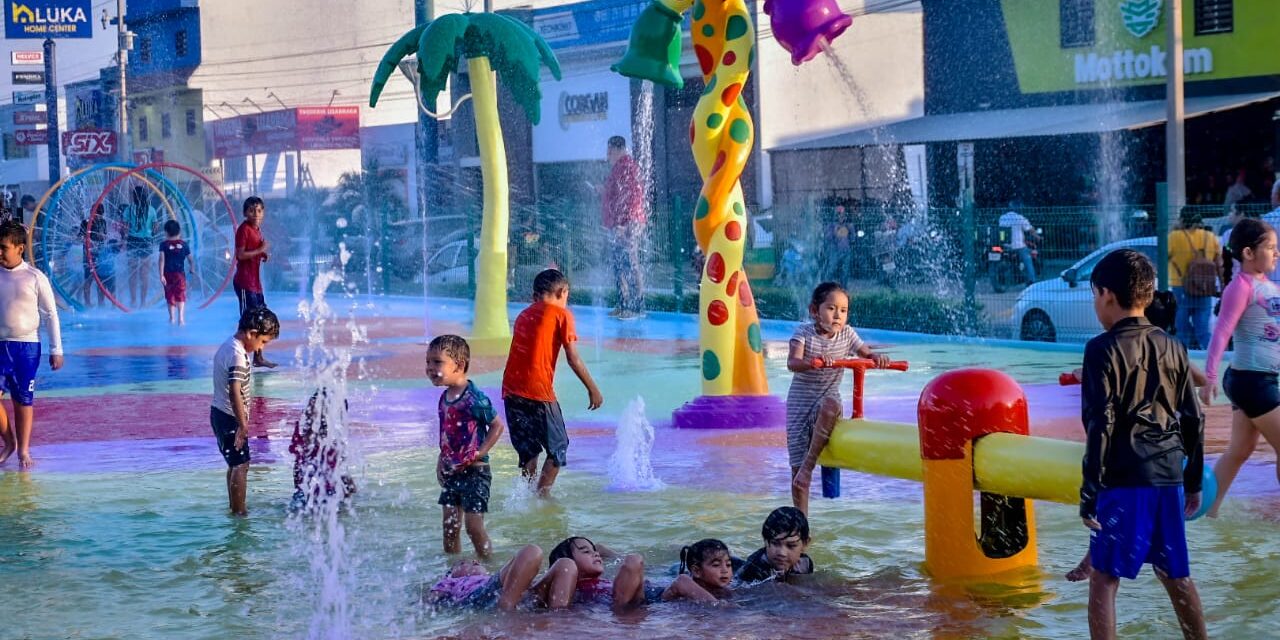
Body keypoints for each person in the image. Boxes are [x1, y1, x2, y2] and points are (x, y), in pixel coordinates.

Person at [1077, 248, 1207, 640]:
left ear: (1107, 296)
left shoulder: (1100, 349)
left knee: (1103, 577)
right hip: (1168, 476)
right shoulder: (1174, 347)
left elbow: (1102, 423)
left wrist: (1089, 491)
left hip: (1124, 475)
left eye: (1094, 296)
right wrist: (1194, 480)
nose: (1095, 305)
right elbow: (1193, 418)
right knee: (1174, 573)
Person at [1200, 218, 1280, 518]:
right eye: (1270, 248)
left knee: (1240, 450)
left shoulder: (1268, 286)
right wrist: (1208, 377)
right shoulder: (1241, 286)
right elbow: (1222, 332)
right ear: (1248, 253)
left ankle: (1207, 512)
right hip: (1252, 381)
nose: (1277, 253)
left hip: (1258, 379)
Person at [786, 282, 889, 514]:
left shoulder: (847, 334)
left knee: (832, 403)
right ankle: (802, 526)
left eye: (843, 310)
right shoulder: (803, 333)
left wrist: (876, 357)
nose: (837, 316)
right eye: (831, 309)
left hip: (827, 401)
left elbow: (866, 352)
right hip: (800, 404)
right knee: (795, 466)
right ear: (815, 311)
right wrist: (812, 362)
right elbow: (792, 362)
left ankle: (808, 468)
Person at [502, 269, 603, 497]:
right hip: (538, 392)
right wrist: (593, 389)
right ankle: (542, 498)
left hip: (510, 392)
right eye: (567, 296)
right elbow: (573, 357)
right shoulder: (561, 314)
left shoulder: (523, 315)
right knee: (558, 448)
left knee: (529, 451)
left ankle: (525, 497)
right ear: (562, 292)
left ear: (535, 294)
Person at [427, 335, 505, 558]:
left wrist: (480, 452)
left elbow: (497, 426)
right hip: (452, 471)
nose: (430, 368)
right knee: (450, 528)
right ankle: (452, 573)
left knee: (473, 527)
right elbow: (445, 435)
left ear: (459, 365)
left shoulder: (475, 399)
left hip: (475, 472)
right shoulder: (444, 398)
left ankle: (489, 566)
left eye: (437, 362)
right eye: (428, 362)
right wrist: (440, 461)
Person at [0, 221, 64, 469]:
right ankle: (9, 441)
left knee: (23, 400)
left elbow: (50, 315)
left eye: (3, 247)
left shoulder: (35, 277)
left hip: (26, 348)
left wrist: (56, 349)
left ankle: (23, 450)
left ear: (19, 248)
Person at [210, 307, 280, 516]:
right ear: (251, 333)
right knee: (241, 464)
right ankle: (239, 512)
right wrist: (242, 424)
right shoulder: (238, 355)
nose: (261, 347)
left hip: (220, 414)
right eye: (263, 342)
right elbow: (234, 390)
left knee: (235, 463)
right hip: (230, 417)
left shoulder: (228, 346)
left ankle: (234, 507)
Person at [545, 536, 716, 609]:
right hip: (623, 603)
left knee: (684, 580)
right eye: (586, 551)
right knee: (634, 561)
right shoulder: (573, 588)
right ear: (569, 562)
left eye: (593, 550)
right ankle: (722, 608)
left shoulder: (602, 580)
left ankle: (720, 598)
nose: (595, 554)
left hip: (649, 595)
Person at [289, 387, 356, 512]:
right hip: (320, 494)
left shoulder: (330, 438)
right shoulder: (330, 438)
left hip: (318, 494)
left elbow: (297, 468)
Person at [601, 135, 646, 318]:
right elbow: (616, 195)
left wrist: (625, 225)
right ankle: (623, 304)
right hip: (619, 223)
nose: (608, 154)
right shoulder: (618, 168)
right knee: (619, 264)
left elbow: (633, 197)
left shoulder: (627, 167)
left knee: (629, 262)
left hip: (627, 223)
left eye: (610, 150)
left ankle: (636, 307)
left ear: (619, 149)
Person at [424, 544, 545, 611]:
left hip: (491, 593)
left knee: (563, 565)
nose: (475, 562)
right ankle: (506, 609)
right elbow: (431, 599)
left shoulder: (488, 578)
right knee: (531, 551)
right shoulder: (450, 581)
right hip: (475, 596)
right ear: (452, 574)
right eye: (464, 563)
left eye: (476, 562)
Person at [1168, 207, 1221, 350]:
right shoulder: (1211, 237)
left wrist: (1174, 229)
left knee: (1182, 331)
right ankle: (1212, 358)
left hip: (1181, 287)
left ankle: (1181, 361)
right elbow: (1219, 262)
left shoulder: (1174, 236)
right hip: (1204, 287)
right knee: (1203, 331)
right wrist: (1221, 286)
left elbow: (1165, 256)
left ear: (1182, 219)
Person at [234, 196, 277, 368]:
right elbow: (240, 255)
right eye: (251, 210)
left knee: (261, 318)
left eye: (259, 210)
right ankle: (238, 355)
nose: (256, 214)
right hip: (244, 283)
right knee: (247, 320)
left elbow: (254, 251)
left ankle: (258, 357)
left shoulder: (257, 229)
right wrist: (260, 250)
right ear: (245, 213)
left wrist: (262, 255)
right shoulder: (243, 230)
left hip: (255, 284)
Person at [735, 506, 815, 585]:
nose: (782, 553)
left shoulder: (805, 563)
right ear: (765, 541)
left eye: (791, 546)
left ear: (805, 544)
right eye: (775, 543)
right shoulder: (755, 568)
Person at [158, 219, 198, 325]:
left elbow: (161, 260)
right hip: (180, 275)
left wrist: (161, 275)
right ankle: (181, 318)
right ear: (179, 232)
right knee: (180, 295)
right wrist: (192, 268)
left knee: (169, 295)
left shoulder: (163, 245)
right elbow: (190, 259)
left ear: (166, 232)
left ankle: (172, 318)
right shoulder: (184, 244)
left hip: (167, 275)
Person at [124, 186, 157, 307]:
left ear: (134, 197)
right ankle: (143, 301)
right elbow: (155, 228)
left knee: (132, 273)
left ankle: (133, 300)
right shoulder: (152, 210)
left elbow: (126, 228)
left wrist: (123, 242)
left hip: (132, 241)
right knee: (145, 273)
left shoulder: (129, 209)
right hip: (146, 242)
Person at [998, 203, 1039, 284]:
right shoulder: (1020, 218)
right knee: (1028, 261)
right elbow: (1030, 229)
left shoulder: (1002, 218)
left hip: (1005, 245)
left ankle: (1004, 278)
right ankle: (1032, 280)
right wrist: (1038, 237)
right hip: (1019, 246)